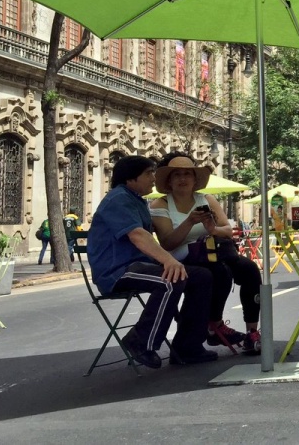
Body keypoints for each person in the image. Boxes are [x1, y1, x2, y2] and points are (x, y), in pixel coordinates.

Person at [88, 155, 215, 368]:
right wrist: (168, 261)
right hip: (117, 271)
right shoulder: (118, 199)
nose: (154, 178)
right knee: (170, 279)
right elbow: (138, 235)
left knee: (202, 276)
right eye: (148, 173)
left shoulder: (136, 200)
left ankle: (188, 345)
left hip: (140, 266)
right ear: (130, 178)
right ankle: (140, 340)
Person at [150, 153, 262, 355]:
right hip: (183, 259)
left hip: (215, 252)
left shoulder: (207, 199)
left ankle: (252, 330)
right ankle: (215, 324)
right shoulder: (161, 205)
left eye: (187, 174)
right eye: (177, 175)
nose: (183, 179)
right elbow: (167, 243)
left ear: (195, 179)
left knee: (250, 269)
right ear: (169, 180)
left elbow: (227, 230)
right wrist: (190, 222)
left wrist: (212, 229)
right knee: (219, 271)